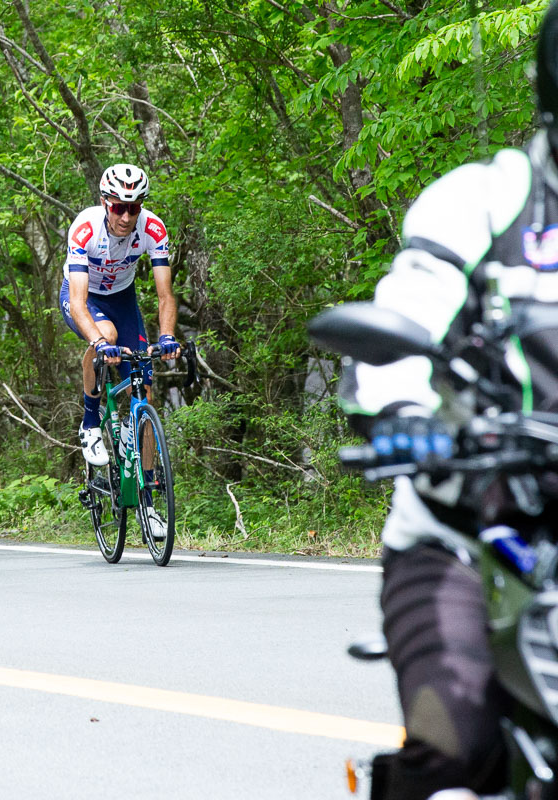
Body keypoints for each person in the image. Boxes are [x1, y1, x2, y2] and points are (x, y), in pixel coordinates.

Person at [336, 6, 558, 796]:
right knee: (458, 750)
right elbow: (404, 324)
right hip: (466, 532)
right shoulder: (486, 200)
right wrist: (404, 420)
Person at [60, 163, 180, 469]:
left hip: (123, 299)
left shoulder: (152, 229)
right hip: (85, 296)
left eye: (134, 208)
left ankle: (149, 499)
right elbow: (78, 301)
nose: (126, 217)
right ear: (104, 203)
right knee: (107, 336)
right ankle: (90, 422)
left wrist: (167, 336)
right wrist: (99, 342)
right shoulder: (85, 229)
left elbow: (165, 295)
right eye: (118, 208)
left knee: (145, 393)